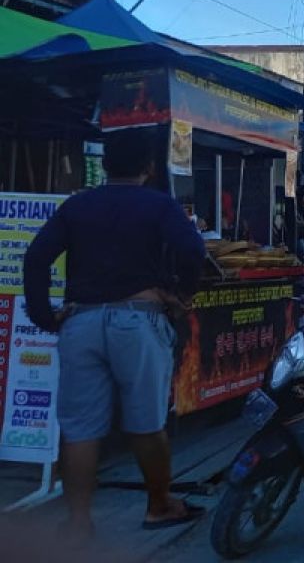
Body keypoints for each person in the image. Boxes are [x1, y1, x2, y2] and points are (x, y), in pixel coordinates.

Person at [23, 129, 207, 540]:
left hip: (81, 322)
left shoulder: (77, 206)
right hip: (138, 322)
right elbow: (194, 252)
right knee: (146, 423)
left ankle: (77, 521)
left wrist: (44, 317)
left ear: (105, 165)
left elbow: (35, 258)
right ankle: (159, 506)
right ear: (149, 167)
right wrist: (181, 295)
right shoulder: (160, 205)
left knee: (80, 428)